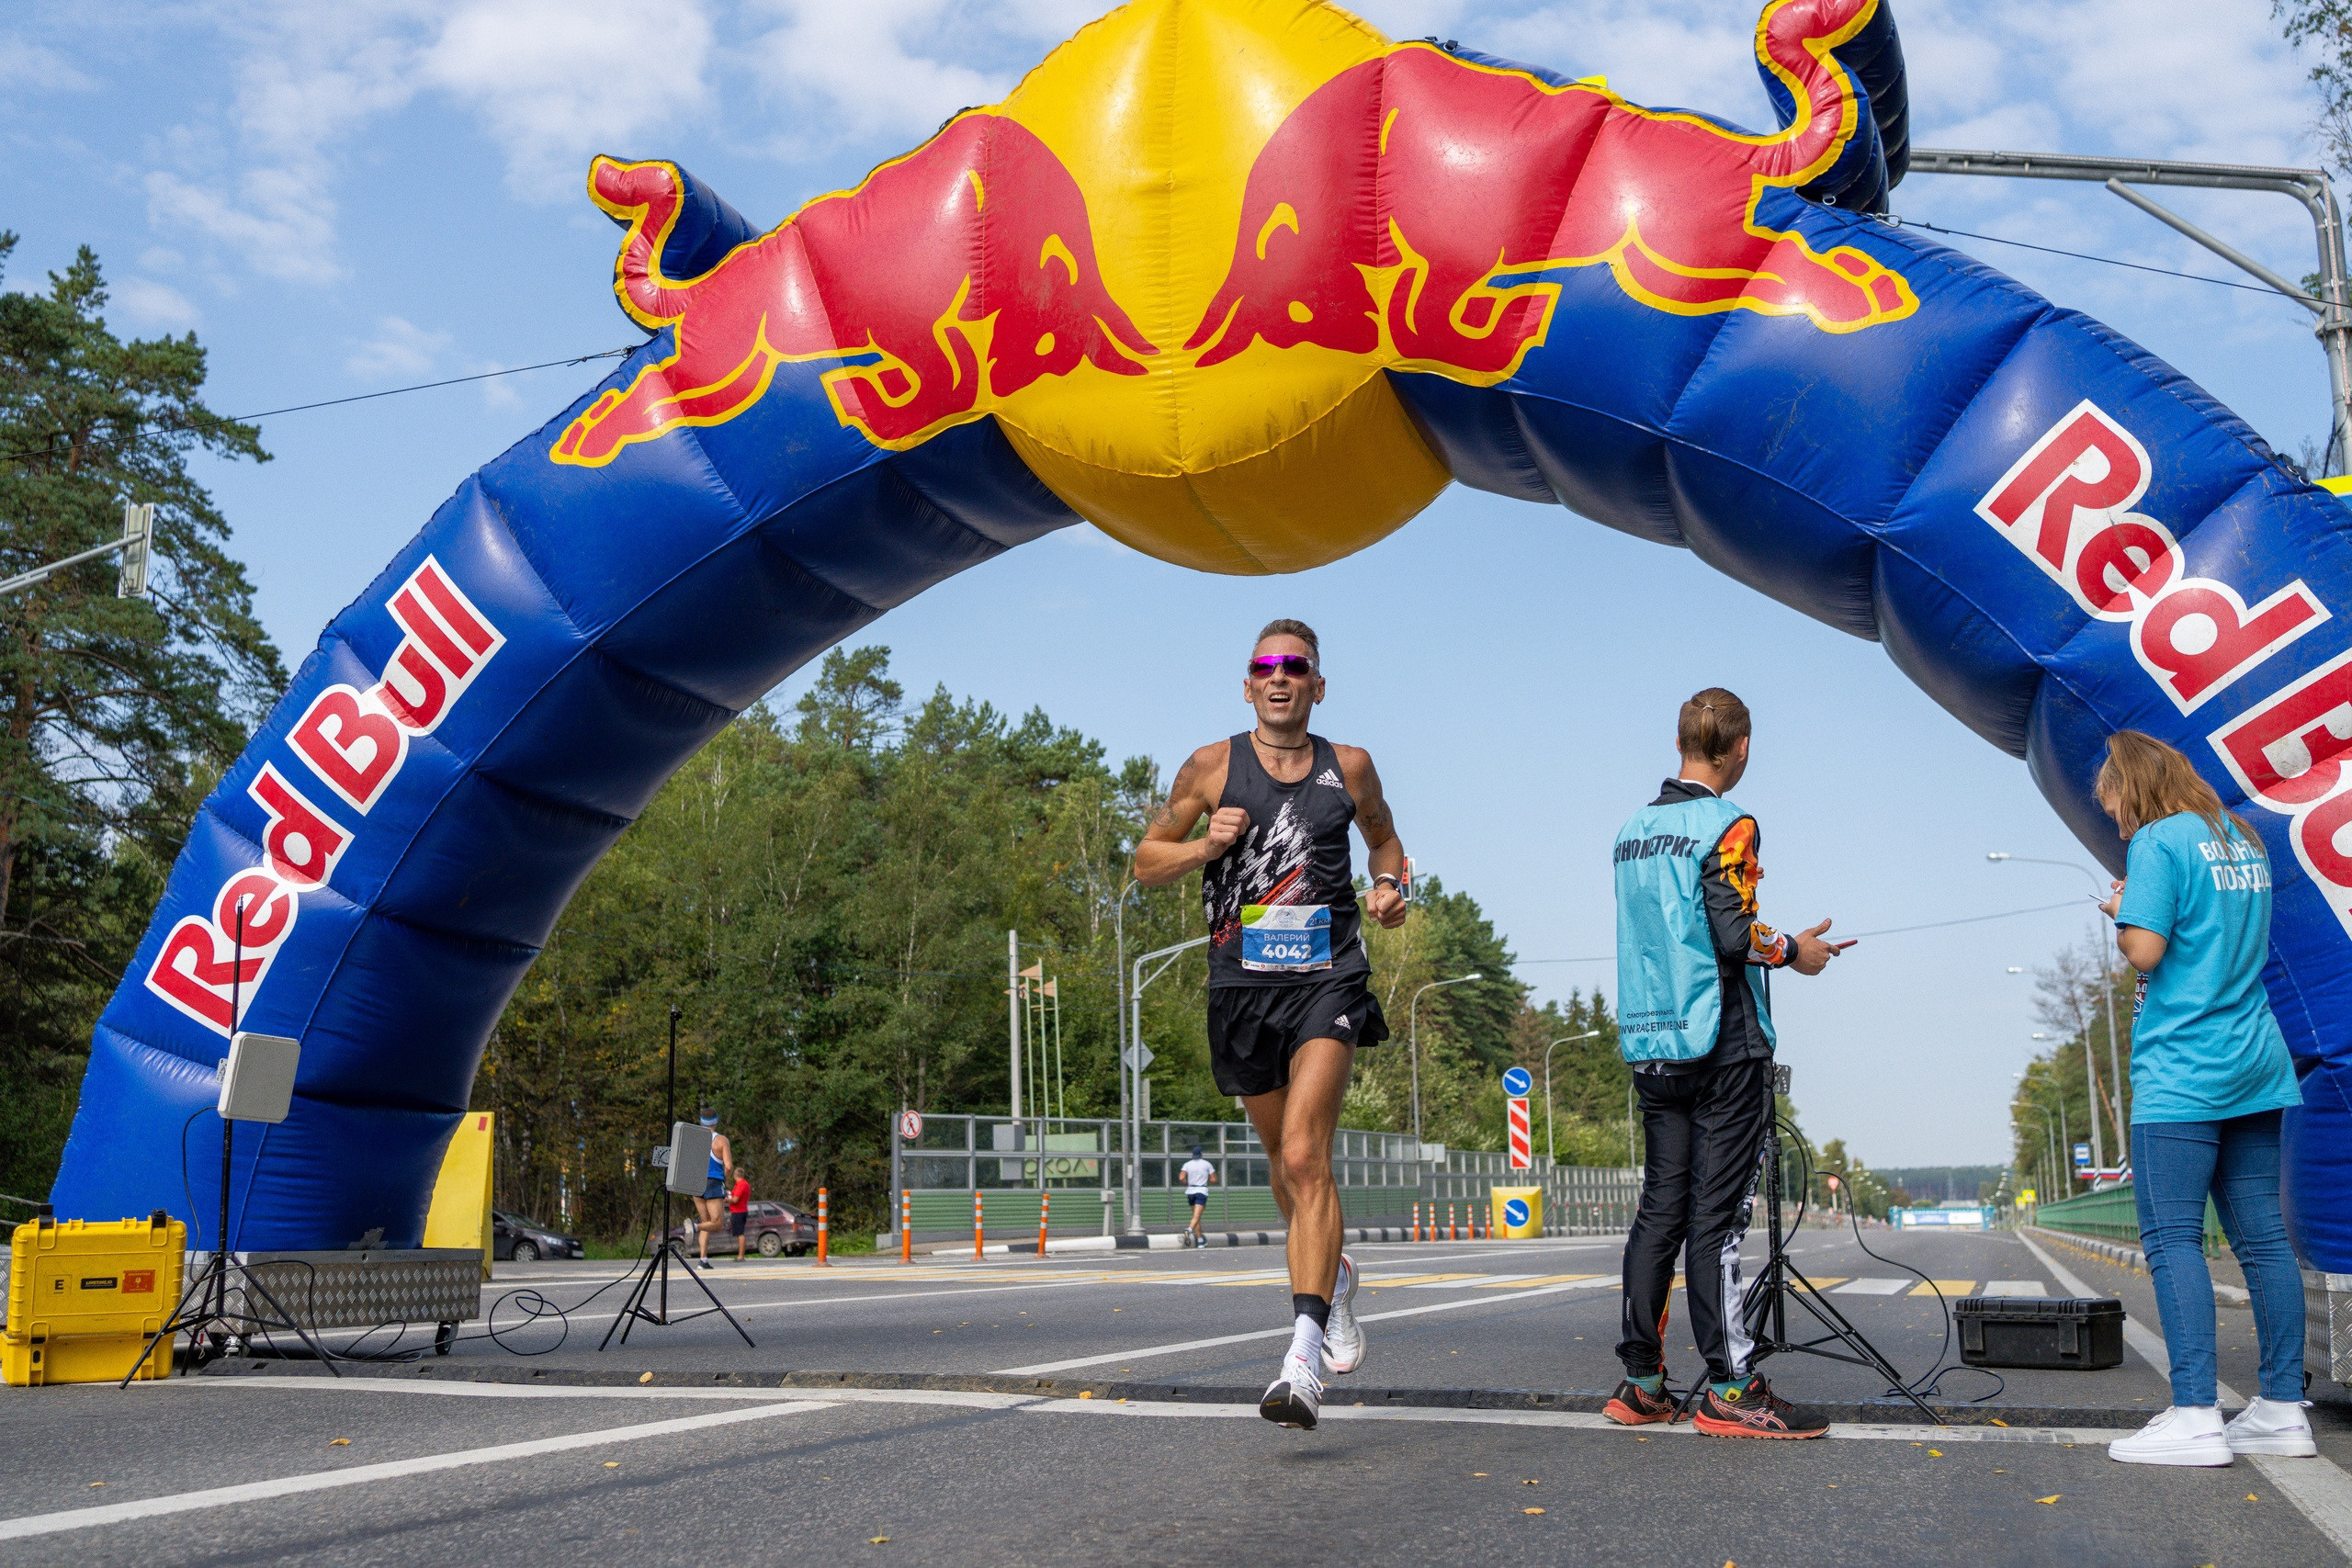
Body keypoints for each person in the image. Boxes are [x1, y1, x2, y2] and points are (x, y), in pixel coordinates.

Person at [1135, 619, 1408, 1430]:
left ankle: (1301, 1355)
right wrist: (1200, 849)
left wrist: (1391, 888)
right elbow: (1146, 859)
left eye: (1296, 666)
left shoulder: (1348, 765)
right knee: (1287, 1179)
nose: (1280, 677)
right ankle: (1337, 1282)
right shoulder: (1211, 766)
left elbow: (1385, 840)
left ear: (1318, 684)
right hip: (1242, 987)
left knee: (1303, 1152)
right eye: (1266, 666)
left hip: (1328, 979)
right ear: (1247, 684)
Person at [1604, 688, 1849, 1439]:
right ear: (1739, 747)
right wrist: (1797, 953)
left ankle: (1643, 1381)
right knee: (1717, 1222)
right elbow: (1732, 931)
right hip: (1723, 1043)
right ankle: (1733, 1389)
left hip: (1653, 1040)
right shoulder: (1728, 822)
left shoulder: (1632, 830)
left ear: (1680, 740)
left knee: (1659, 1213)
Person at [2093, 731, 2314, 1466]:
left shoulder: (2158, 841)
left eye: (2116, 803)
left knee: (2171, 1237)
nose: (2118, 821)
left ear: (2134, 785)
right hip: (2255, 1058)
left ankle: (2195, 1414)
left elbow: (2148, 951)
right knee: (2262, 1241)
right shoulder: (2241, 838)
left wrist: (2123, 913)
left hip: (2185, 1065)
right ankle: (2283, 1407)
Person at [692, 1113, 732, 1269]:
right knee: (717, 1224)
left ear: (701, 1123)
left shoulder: (695, 1141)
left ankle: (703, 1259)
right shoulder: (721, 1140)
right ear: (715, 1122)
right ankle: (694, 1227)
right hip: (713, 1182)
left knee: (706, 1222)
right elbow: (728, 1166)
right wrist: (724, 1179)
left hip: (696, 1182)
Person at [1181, 1145, 1219, 1247]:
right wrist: (1208, 1179)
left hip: (1190, 1191)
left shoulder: (1187, 1164)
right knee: (1197, 1216)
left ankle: (1200, 1240)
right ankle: (1188, 1230)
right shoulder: (1207, 1164)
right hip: (1201, 1191)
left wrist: (1186, 1183)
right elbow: (1214, 1179)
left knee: (1196, 1217)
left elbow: (1181, 1178)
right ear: (1202, 1154)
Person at [727, 1168, 752, 1262]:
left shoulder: (742, 1184)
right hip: (740, 1210)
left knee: (740, 1233)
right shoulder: (743, 1184)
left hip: (739, 1211)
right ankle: (740, 1255)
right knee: (739, 1233)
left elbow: (735, 1199)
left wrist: (726, 1199)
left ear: (735, 1175)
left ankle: (741, 1256)